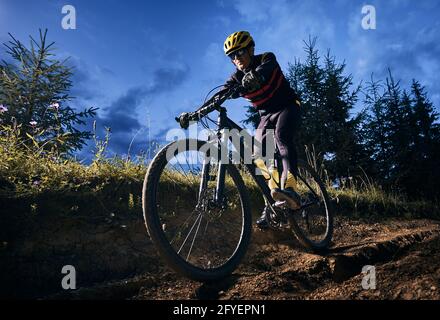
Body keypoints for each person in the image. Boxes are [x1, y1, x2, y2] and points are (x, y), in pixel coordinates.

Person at [222, 31, 302, 229]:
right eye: (232, 56)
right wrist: (197, 111)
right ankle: (275, 202)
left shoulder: (266, 58)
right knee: (260, 157)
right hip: (265, 115)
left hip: (287, 106)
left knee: (282, 137)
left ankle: (291, 188)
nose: (236, 58)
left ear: (250, 50)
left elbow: (267, 68)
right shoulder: (236, 76)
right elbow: (222, 92)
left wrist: (254, 76)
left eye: (239, 52)